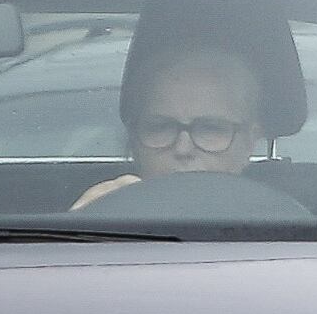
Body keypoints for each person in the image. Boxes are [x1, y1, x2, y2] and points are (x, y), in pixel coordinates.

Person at [74, 36, 264, 205]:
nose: (183, 149)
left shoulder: (289, 230)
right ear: (133, 141)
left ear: (249, 143)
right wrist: (81, 231)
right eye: (160, 128)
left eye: (210, 128)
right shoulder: (100, 217)